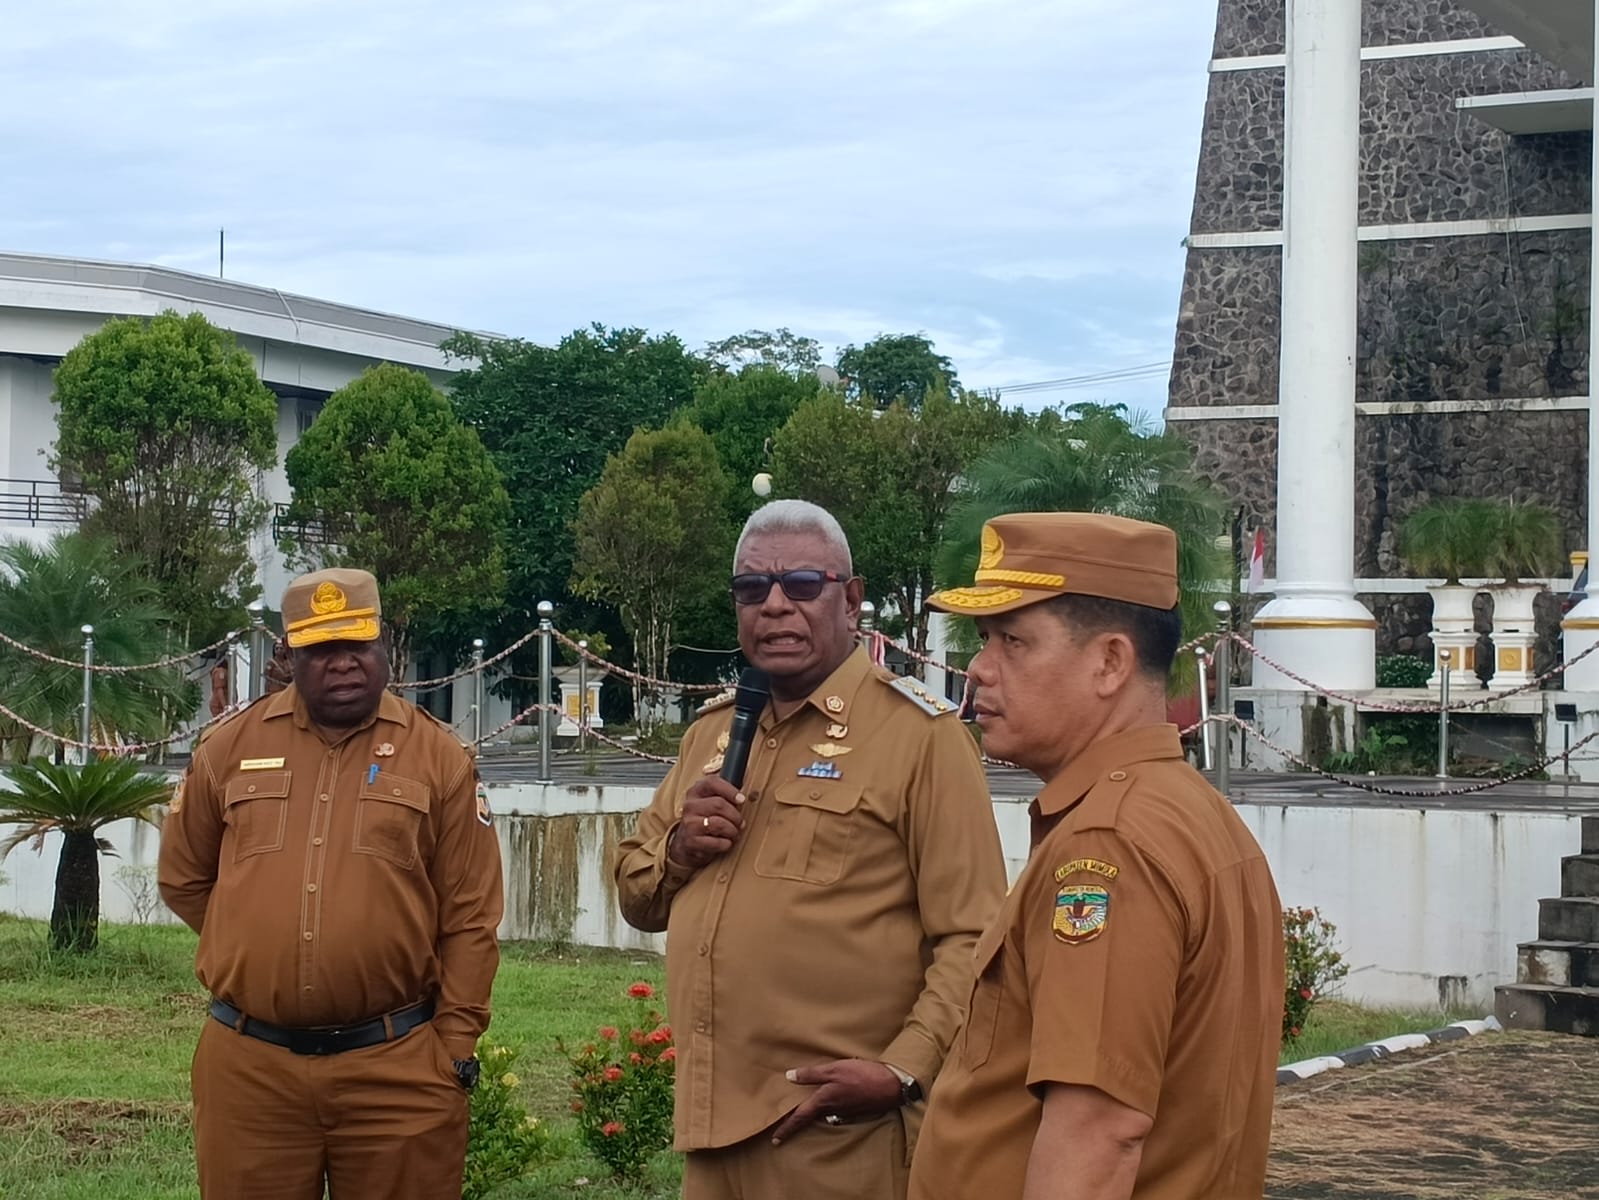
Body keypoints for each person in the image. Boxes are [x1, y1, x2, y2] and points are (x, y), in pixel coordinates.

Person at [615, 499, 1007, 1200]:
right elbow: (637, 897)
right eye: (750, 589)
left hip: (838, 1137)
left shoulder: (920, 736)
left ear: (849, 599)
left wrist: (901, 1069)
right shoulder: (711, 734)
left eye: (801, 585)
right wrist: (678, 848)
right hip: (712, 1131)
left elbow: (972, 936)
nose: (773, 606)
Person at [908, 512, 1283, 1200]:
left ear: (1109, 662)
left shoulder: (1106, 846)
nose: (978, 669)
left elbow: (1099, 1133)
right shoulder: (1188, 812)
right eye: (983, 639)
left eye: (1013, 641)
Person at [158, 567, 504, 1200]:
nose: (342, 664)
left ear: (384, 648)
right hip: (250, 1074)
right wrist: (258, 940)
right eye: (321, 648)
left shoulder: (440, 759)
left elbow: (472, 917)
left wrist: (454, 1044)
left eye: (357, 645)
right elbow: (184, 878)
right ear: (288, 654)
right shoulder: (227, 748)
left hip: (396, 1070)